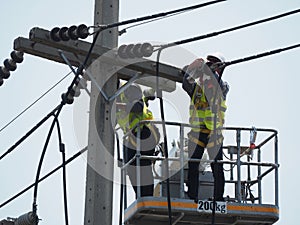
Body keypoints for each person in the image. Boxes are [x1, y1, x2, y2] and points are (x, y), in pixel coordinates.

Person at [182, 52, 229, 202]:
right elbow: (185, 82)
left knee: (217, 166)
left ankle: (218, 198)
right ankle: (192, 196)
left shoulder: (222, 86)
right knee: (193, 164)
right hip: (197, 132)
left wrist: (207, 70)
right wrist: (192, 68)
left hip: (214, 133)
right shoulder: (196, 89)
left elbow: (215, 84)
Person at [116, 82, 160, 198]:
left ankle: (147, 197)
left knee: (143, 166)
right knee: (130, 168)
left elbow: (138, 107)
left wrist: (116, 105)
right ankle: (141, 197)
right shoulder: (112, 99)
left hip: (145, 133)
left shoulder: (130, 88)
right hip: (132, 138)